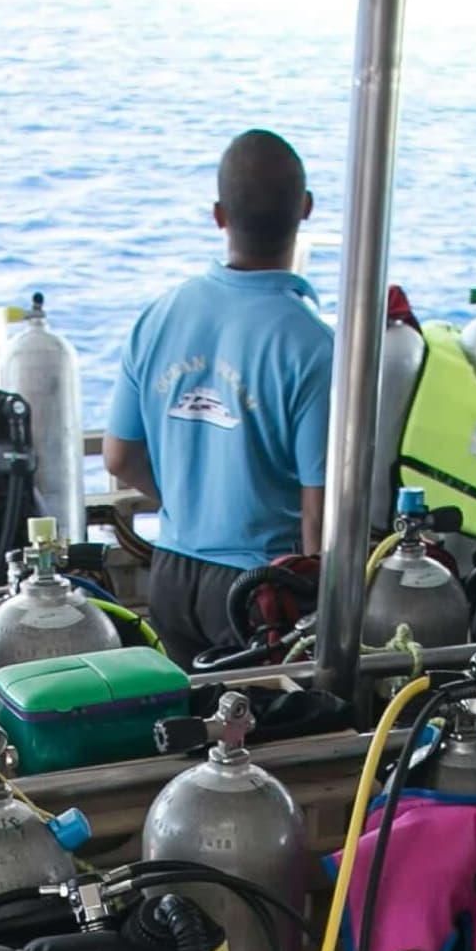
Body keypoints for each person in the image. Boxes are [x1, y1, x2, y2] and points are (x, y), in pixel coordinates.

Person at [107, 130, 336, 668]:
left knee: (187, 737)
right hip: (260, 588)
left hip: (170, 574)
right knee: (259, 745)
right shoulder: (315, 348)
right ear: (305, 209)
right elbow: (318, 516)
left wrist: (190, 502)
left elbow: (119, 457)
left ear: (219, 215)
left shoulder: (160, 315)